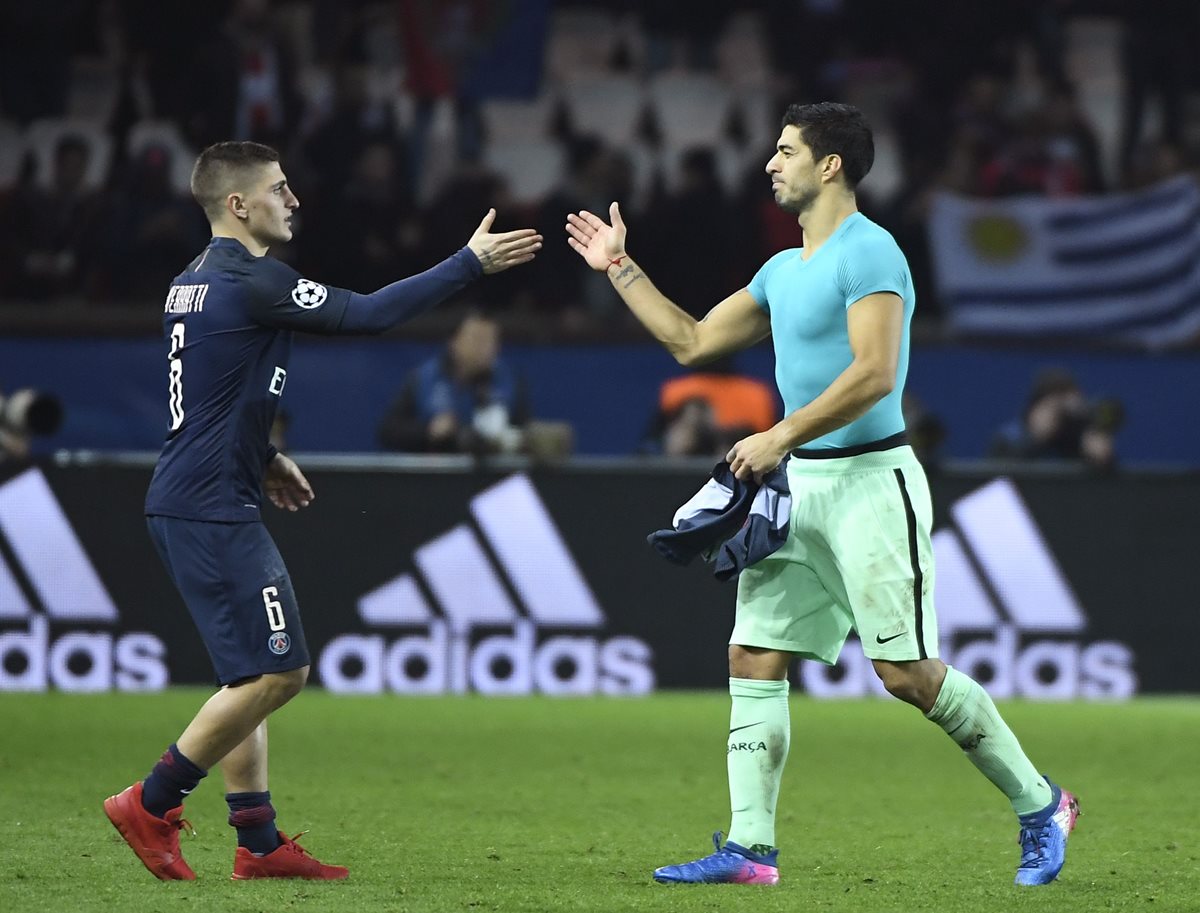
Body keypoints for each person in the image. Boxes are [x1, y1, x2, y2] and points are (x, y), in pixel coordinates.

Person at [565, 102, 1078, 888]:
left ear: (830, 164)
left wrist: (778, 434)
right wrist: (620, 266)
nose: (770, 164)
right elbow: (691, 341)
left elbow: (875, 375)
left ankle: (1042, 805)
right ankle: (749, 849)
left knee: (905, 673)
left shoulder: (871, 252)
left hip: (873, 482)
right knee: (754, 652)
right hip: (803, 485)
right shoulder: (782, 270)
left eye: (785, 150)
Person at [103, 140, 541, 882]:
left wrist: (266, 456)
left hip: (199, 492)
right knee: (282, 670)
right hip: (211, 507)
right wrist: (467, 264)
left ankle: (259, 840)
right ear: (238, 205)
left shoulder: (193, 282)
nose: (294, 199)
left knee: (246, 678)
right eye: (279, 188)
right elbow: (368, 315)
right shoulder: (252, 279)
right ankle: (151, 802)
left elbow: (214, 392)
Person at [376, 309, 573, 460]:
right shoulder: (424, 378)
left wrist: (524, 440)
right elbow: (388, 431)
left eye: (492, 341)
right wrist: (429, 431)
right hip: (435, 483)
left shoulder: (509, 380)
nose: (487, 348)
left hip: (494, 483)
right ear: (454, 342)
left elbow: (523, 429)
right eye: (478, 340)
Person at [990, 367, 1120, 470]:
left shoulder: (1078, 437)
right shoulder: (1009, 438)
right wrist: (1036, 437)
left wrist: (1103, 459)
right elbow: (1003, 478)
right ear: (1035, 409)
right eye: (1056, 408)